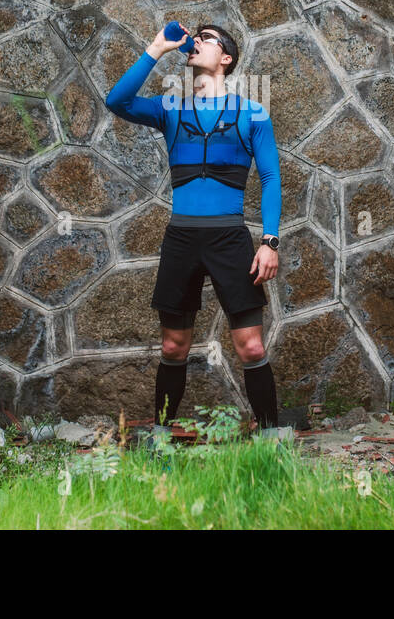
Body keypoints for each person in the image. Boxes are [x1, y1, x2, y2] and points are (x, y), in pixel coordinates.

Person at [104, 22, 287, 437]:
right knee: (173, 347)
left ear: (227, 58)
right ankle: (163, 439)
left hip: (230, 238)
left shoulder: (253, 113)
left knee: (252, 347)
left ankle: (271, 440)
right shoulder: (171, 109)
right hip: (182, 238)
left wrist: (269, 241)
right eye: (196, 37)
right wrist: (156, 47)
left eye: (208, 38)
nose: (197, 41)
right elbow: (117, 100)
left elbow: (271, 178)